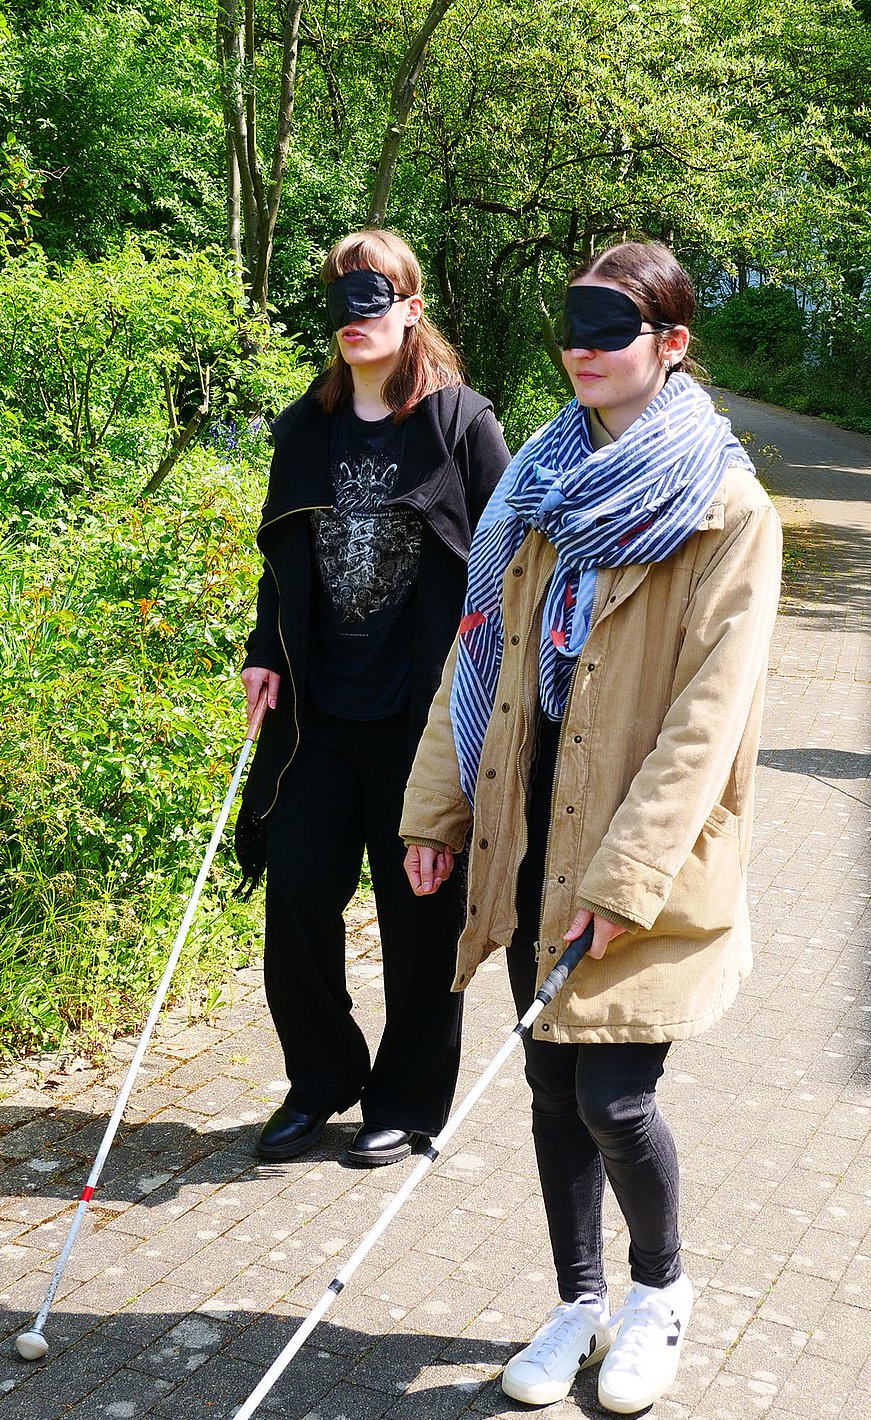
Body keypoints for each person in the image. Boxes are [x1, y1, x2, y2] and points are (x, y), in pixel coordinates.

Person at [400, 242, 782, 1415]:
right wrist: (439, 808)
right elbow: (488, 658)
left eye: (611, 326)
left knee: (616, 1099)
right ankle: (576, 1300)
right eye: (574, 322)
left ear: (671, 345)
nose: (583, 345)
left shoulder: (727, 509)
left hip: (640, 859)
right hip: (531, 833)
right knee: (551, 1090)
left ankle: (660, 1296)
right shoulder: (541, 488)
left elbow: (707, 721)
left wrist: (625, 879)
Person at [234, 229, 511, 1167]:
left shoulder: (462, 424)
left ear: (411, 307)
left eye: (375, 296)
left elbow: (505, 569)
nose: (356, 317)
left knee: (420, 915)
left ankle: (408, 1100)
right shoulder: (301, 428)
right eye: (341, 298)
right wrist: (263, 651)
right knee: (298, 904)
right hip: (317, 718)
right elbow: (279, 562)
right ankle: (321, 1080)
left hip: (421, 722)